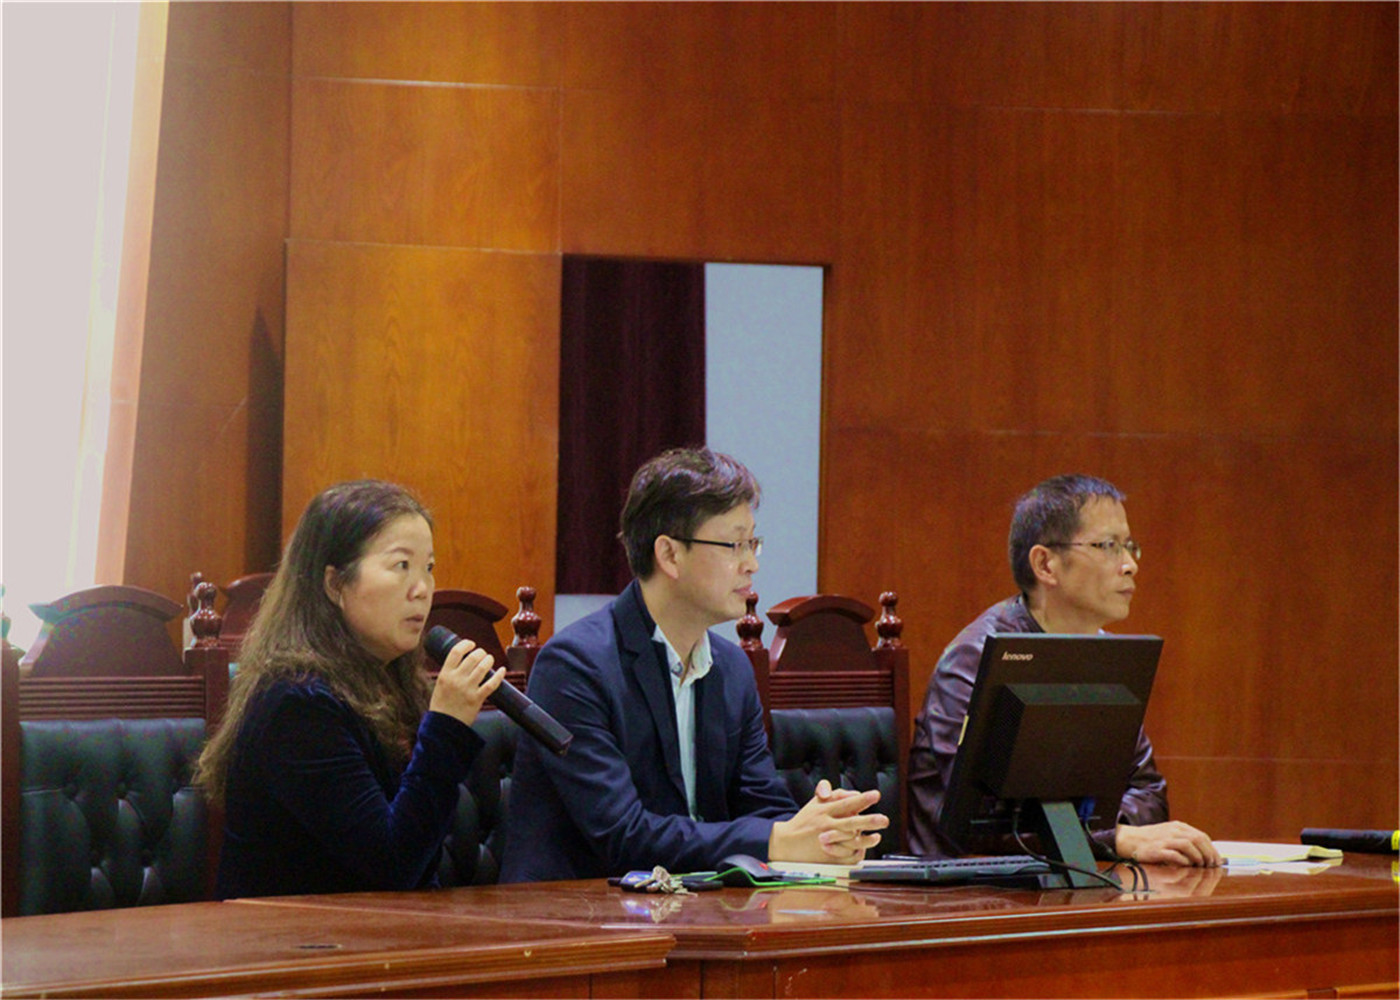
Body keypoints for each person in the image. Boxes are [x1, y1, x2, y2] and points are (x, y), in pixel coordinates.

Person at [500, 447, 888, 882]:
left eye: (753, 543)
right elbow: (623, 836)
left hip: (692, 907)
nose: (751, 564)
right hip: (572, 911)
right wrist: (779, 839)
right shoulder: (575, 666)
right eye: (735, 545)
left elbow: (763, 807)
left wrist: (823, 833)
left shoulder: (731, 668)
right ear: (669, 555)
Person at [195, 479, 506, 898]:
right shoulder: (296, 702)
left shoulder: (390, 682)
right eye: (402, 565)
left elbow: (418, 867)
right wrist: (446, 727)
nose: (422, 589)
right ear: (335, 584)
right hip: (292, 934)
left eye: (428, 568)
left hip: (376, 925)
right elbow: (391, 865)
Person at [907, 474, 1220, 867]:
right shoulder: (975, 659)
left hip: (1074, 879)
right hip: (964, 891)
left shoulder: (1105, 656)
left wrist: (1107, 834)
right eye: (1108, 546)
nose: (1130, 565)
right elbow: (983, 819)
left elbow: (1147, 792)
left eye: (1129, 546)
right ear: (1046, 564)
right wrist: (1111, 836)